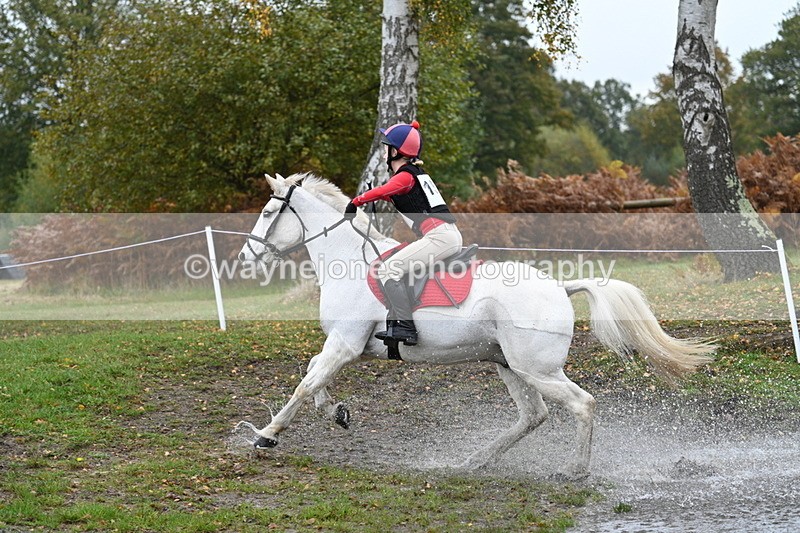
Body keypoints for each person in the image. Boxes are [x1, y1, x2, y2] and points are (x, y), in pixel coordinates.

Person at [344, 120, 462, 346]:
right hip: (444, 235)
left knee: (388, 270)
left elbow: (386, 189)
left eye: (387, 146)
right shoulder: (414, 175)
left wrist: (356, 201)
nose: (384, 151)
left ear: (396, 151)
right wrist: (376, 197)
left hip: (439, 237)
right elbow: (393, 194)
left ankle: (405, 327)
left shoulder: (406, 176)